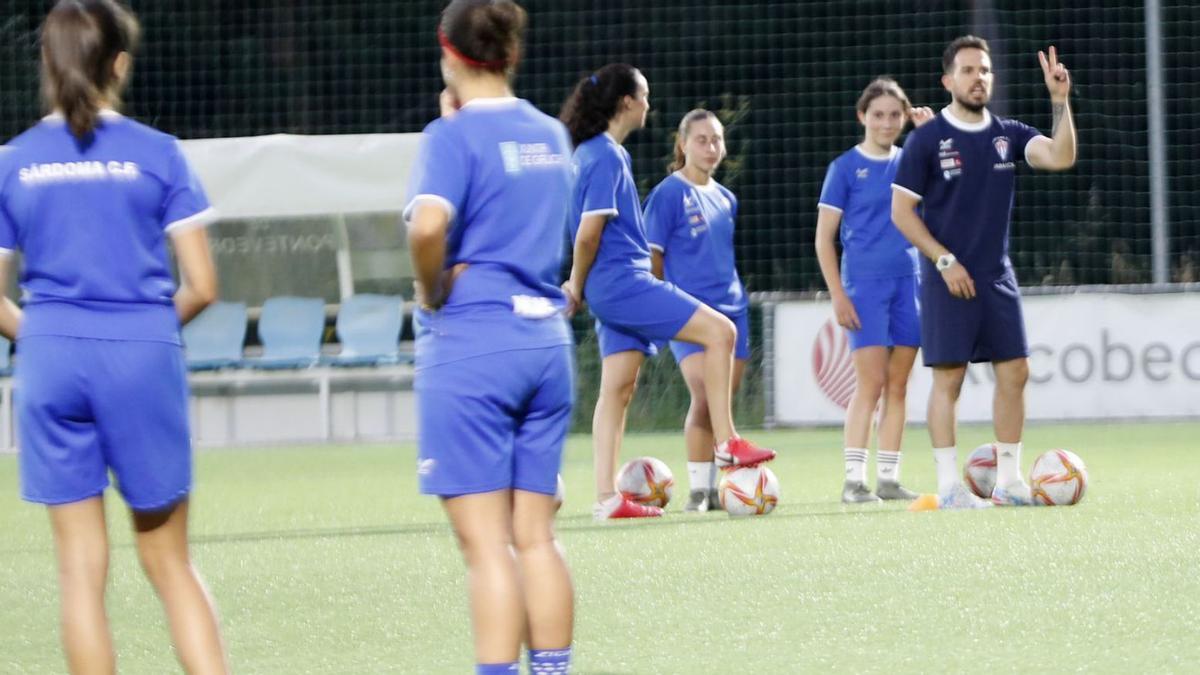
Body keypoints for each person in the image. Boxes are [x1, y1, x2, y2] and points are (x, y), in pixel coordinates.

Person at [0, 1, 228, 673]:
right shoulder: (158, 153)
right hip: (141, 359)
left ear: (48, 63)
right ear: (120, 64)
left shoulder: (12, 161)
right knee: (169, 563)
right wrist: (142, 334)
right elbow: (203, 284)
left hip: (49, 363)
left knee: (78, 573)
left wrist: (39, 337)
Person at [404, 1, 575, 672]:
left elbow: (426, 227)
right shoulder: (550, 134)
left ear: (448, 53)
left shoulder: (448, 138)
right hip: (545, 345)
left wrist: (430, 288)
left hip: (475, 342)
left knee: (485, 546)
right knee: (535, 536)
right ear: (512, 52)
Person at [560, 66, 776, 521]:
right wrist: (574, 285)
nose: (648, 105)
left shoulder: (586, 153)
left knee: (617, 388)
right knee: (720, 333)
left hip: (608, 286)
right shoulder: (607, 155)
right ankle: (727, 443)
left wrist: (583, 285)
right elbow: (587, 234)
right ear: (626, 103)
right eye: (644, 97)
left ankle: (606, 499)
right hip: (623, 282)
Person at [891, 36, 1076, 509]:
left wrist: (1060, 102)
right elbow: (902, 213)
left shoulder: (1007, 134)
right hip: (946, 277)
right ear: (948, 80)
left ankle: (1010, 483)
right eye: (969, 70)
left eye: (986, 70)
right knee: (948, 380)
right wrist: (944, 260)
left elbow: (1060, 156)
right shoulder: (926, 139)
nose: (979, 78)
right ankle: (951, 487)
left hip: (996, 276)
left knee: (1016, 371)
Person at [815, 79, 933, 504]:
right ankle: (853, 482)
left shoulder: (913, 161)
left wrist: (930, 136)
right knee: (871, 383)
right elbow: (823, 239)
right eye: (878, 114)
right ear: (862, 116)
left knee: (898, 386)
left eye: (895, 115)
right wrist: (838, 294)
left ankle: (888, 478)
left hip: (910, 285)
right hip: (863, 287)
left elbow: (945, 198)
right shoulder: (845, 168)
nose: (887, 123)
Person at [642, 109, 750, 512]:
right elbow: (654, 257)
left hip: (734, 313)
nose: (711, 147)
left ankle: (722, 489)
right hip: (690, 314)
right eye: (701, 139)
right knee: (704, 397)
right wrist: (660, 309)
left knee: (722, 401)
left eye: (717, 139)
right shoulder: (669, 194)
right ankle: (698, 491)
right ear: (683, 144)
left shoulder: (726, 197)